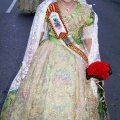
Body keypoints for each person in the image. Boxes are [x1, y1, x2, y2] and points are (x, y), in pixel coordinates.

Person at [0, 0, 110, 119]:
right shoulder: (47, 8)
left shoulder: (86, 11)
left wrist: (95, 66)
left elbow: (91, 43)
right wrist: (28, 65)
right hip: (47, 59)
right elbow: (35, 38)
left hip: (77, 62)